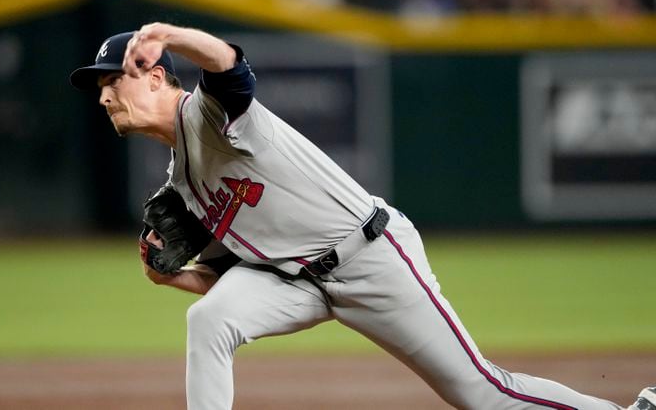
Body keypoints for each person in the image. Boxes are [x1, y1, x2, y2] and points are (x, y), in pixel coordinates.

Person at [70, 22, 654, 410]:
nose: (102, 96)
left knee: (480, 393)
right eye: (97, 88)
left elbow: (227, 65)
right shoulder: (182, 186)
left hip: (370, 256)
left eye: (111, 80)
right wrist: (177, 278)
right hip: (295, 281)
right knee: (209, 318)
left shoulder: (207, 114)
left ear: (153, 74)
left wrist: (168, 34)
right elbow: (229, 277)